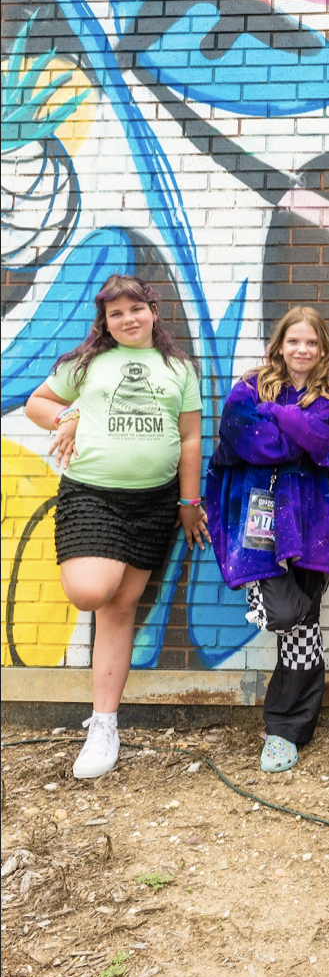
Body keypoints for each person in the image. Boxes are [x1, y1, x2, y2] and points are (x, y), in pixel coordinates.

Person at [25, 274, 209, 779]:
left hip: (155, 503)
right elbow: (36, 403)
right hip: (92, 495)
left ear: (153, 311)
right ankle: (103, 722)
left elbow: (190, 439)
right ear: (104, 321)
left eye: (135, 309)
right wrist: (69, 416)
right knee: (91, 591)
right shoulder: (87, 363)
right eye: (115, 313)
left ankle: (104, 724)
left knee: (121, 608)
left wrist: (188, 502)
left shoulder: (180, 368)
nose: (127, 319)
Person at [206, 308, 329, 773]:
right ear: (279, 345)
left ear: (323, 349)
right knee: (288, 614)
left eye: (311, 343)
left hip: (310, 523)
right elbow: (246, 440)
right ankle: (287, 722)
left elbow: (321, 438)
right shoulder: (249, 386)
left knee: (304, 621)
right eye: (294, 342)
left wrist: (277, 415)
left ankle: (287, 730)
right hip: (259, 521)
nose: (302, 350)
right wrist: (297, 431)